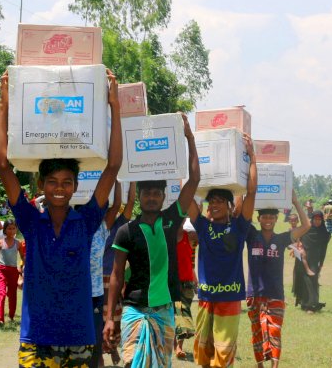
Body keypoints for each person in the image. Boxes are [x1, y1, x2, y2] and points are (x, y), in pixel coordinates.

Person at [0, 68, 122, 366]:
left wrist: (114, 106)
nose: (59, 188)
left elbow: (113, 166)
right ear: (41, 185)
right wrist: (4, 105)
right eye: (52, 181)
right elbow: (2, 165)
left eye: (67, 182)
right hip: (36, 337)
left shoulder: (87, 220)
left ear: (76, 187)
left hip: (77, 336)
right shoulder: (29, 221)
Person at [103, 114, 199, 368]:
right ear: (141, 196)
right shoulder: (127, 230)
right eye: (147, 193)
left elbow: (195, 180)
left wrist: (189, 138)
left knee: (160, 364)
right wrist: (111, 316)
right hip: (134, 309)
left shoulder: (171, 219)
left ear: (164, 196)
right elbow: (116, 276)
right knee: (132, 362)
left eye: (157, 193)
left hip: (164, 309)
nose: (152, 197)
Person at [185, 133, 257, 368]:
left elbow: (251, 193)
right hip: (206, 297)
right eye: (210, 201)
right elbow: (186, 199)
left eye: (219, 201)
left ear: (229, 206)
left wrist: (251, 157)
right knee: (203, 354)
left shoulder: (239, 226)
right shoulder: (202, 226)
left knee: (223, 355)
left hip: (230, 297)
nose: (213, 205)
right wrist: (189, 144)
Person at [245, 191, 311, 368]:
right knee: (257, 332)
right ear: (258, 219)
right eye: (264, 217)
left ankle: (275, 366)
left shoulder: (282, 239)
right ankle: (260, 365)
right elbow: (239, 216)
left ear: (276, 219)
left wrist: (296, 201)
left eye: (272, 217)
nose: (268, 220)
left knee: (275, 331)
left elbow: (306, 225)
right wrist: (245, 196)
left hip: (275, 293)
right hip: (254, 293)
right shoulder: (251, 235)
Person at [88, 184, 123, 367]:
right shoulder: (75, 224)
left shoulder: (103, 227)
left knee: (105, 324)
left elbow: (117, 205)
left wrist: (120, 178)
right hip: (82, 288)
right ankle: (98, 357)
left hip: (101, 287)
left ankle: (104, 354)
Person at [101, 182, 135, 366]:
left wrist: (126, 179)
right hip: (95, 280)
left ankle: (113, 348)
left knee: (114, 316)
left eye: (111, 209)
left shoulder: (120, 224)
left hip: (112, 279)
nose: (110, 212)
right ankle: (101, 353)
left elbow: (128, 202)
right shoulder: (93, 227)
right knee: (98, 317)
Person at [292, 211, 331, 313]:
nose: (317, 221)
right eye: (315, 219)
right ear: (312, 219)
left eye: (319, 219)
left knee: (312, 280)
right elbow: (297, 238)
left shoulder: (324, 234)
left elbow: (324, 249)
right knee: (304, 280)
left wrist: (321, 261)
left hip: (314, 259)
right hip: (303, 258)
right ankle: (306, 304)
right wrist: (297, 247)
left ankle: (311, 303)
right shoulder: (306, 229)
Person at [174, 205, 200, 360]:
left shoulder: (190, 237)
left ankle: (180, 346)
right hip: (173, 282)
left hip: (188, 282)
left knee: (185, 311)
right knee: (176, 313)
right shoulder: (171, 237)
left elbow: (190, 262)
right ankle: (175, 346)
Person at [0, 219, 25, 326]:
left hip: (13, 271)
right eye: (9, 228)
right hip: (1, 270)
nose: (11, 231)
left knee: (12, 295)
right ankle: (1, 319)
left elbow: (22, 257)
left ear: (16, 229)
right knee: (1, 294)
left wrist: (22, 269)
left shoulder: (18, 243)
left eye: (13, 228)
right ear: (5, 229)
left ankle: (11, 315)